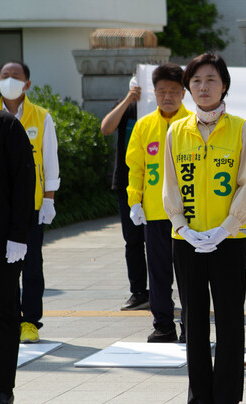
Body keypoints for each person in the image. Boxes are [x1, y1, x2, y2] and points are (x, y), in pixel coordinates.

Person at [162, 53, 246, 404]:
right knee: (194, 318)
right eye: (197, 80)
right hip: (186, 242)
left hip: (228, 242)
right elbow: (170, 185)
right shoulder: (177, 131)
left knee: (231, 318)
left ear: (224, 86)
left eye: (211, 80)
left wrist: (227, 227)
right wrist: (181, 226)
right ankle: (198, 395)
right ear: (189, 87)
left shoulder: (241, 129)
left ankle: (226, 395)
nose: (203, 87)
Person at [0, 61, 60, 344]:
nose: (10, 80)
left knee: (32, 266)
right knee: (1, 268)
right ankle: (6, 319)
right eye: (5, 76)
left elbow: (50, 161)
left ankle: (30, 321)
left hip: (32, 207)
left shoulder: (41, 117)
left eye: (16, 76)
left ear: (27, 84)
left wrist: (49, 199)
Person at [0, 56, 36, 404]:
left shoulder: (5, 127)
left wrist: (19, 235)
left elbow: (24, 182)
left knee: (2, 315)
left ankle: (3, 388)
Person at [126, 63, 189, 342]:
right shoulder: (144, 125)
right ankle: (163, 325)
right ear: (153, 92)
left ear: (183, 93)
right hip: (155, 213)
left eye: (173, 91)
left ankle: (192, 324)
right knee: (159, 274)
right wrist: (134, 201)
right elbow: (135, 167)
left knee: (189, 274)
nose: (167, 96)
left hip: (189, 214)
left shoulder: (194, 122)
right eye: (162, 90)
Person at [101, 76, 149, 311]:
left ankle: (163, 290)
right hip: (127, 183)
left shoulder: (164, 109)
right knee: (133, 240)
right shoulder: (126, 106)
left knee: (162, 242)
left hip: (158, 184)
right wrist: (129, 98)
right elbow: (106, 128)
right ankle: (139, 291)